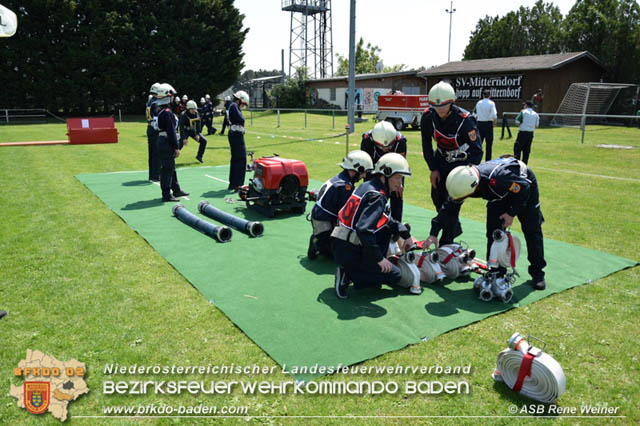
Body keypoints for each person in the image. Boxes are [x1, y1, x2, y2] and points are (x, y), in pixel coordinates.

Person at [425, 157, 547, 290]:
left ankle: (537, 273)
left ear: (475, 187)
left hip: (524, 187)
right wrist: (433, 234)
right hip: (498, 194)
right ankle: (496, 271)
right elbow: (448, 209)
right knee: (493, 232)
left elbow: (524, 188)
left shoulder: (498, 178)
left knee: (532, 229)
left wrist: (511, 213)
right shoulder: (462, 182)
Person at [331, 153, 418, 299]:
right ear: (386, 174)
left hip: (341, 244)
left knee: (385, 231)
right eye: (397, 178)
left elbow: (386, 220)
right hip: (350, 249)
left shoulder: (368, 186)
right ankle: (349, 275)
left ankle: (360, 270)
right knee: (395, 276)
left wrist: (406, 235)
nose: (400, 183)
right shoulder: (378, 196)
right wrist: (379, 258)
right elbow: (364, 229)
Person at [420, 81, 483, 244]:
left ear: (452, 102)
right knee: (437, 197)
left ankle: (446, 242)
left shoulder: (465, 120)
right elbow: (426, 144)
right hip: (441, 161)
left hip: (460, 165)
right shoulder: (428, 116)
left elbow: (477, 150)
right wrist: (433, 168)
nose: (440, 110)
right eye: (435, 106)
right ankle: (454, 229)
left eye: (444, 106)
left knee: (452, 202)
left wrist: (466, 175)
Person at [307, 150, 373, 260]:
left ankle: (320, 239)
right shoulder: (345, 186)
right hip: (324, 223)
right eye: (364, 172)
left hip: (321, 218)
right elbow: (345, 214)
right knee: (342, 253)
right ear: (357, 169)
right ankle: (317, 243)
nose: (364, 175)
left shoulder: (341, 179)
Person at [361, 120, 407, 221]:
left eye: (389, 146)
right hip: (373, 171)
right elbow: (366, 165)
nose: (385, 149)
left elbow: (401, 166)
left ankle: (396, 227)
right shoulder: (367, 139)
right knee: (371, 195)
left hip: (394, 171)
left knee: (397, 194)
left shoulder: (401, 141)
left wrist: (399, 184)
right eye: (381, 147)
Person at [155, 83, 189, 202]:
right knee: (167, 168)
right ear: (167, 96)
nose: (173, 97)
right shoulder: (167, 111)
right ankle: (166, 194)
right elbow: (171, 132)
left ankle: (176, 190)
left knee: (171, 167)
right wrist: (176, 147)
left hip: (163, 141)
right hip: (166, 142)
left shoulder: (163, 110)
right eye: (172, 95)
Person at [227, 91, 249, 191]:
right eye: (243, 104)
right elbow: (241, 119)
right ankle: (238, 184)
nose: (243, 106)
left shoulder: (233, 106)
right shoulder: (234, 106)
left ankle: (233, 183)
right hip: (236, 134)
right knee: (241, 159)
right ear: (240, 99)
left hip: (234, 134)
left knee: (235, 159)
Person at [475, 89, 498, 161]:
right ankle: (488, 160)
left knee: (479, 144)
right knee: (489, 145)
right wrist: (494, 124)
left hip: (479, 123)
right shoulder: (491, 103)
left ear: (483, 95)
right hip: (488, 124)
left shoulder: (478, 103)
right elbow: (494, 115)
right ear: (489, 96)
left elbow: (475, 114)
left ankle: (477, 159)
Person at [145, 82, 162, 182]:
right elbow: (157, 118)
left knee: (151, 154)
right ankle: (156, 175)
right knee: (157, 153)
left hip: (149, 128)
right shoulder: (156, 102)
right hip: (155, 129)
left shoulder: (150, 101)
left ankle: (152, 175)